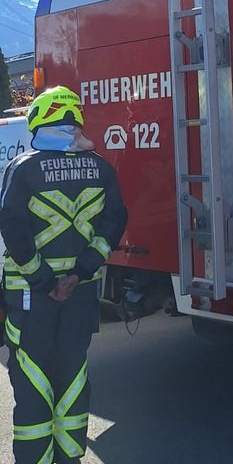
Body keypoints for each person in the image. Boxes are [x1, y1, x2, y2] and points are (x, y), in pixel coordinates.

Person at [0, 86, 128, 463]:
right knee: (73, 375)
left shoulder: (22, 168)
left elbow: (12, 226)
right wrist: (81, 271)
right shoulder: (103, 168)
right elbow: (115, 222)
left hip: (32, 297)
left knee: (33, 380)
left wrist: (42, 280)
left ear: (40, 119)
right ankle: (69, 458)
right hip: (81, 294)